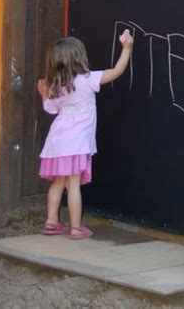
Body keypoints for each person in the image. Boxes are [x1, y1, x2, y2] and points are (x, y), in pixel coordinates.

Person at [37, 30, 134, 239]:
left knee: (58, 183)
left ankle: (51, 222)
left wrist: (44, 93)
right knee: (73, 185)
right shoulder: (88, 79)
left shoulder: (56, 85)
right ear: (79, 58)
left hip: (57, 141)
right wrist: (127, 48)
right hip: (76, 144)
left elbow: (51, 109)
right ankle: (75, 228)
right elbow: (116, 71)